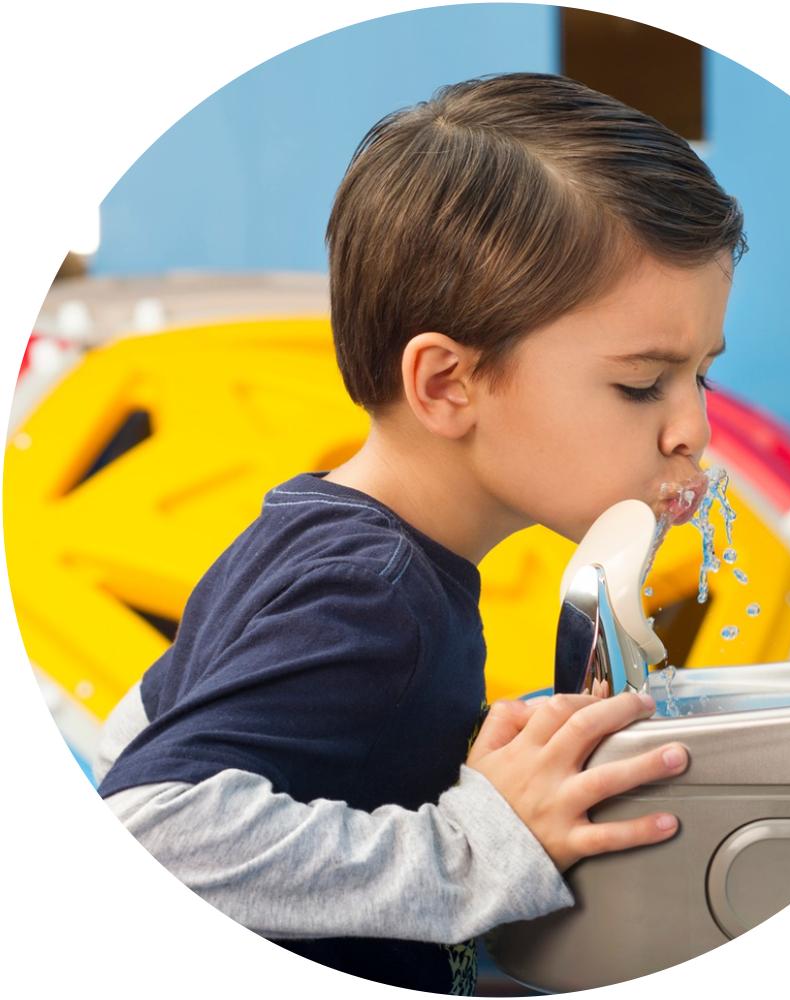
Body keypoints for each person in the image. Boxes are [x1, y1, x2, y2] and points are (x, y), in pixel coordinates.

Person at [95, 71, 745, 995]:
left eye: (701, 377)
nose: (693, 431)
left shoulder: (314, 529)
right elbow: (148, 827)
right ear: (446, 385)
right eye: (643, 384)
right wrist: (477, 844)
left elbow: (152, 725)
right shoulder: (372, 589)